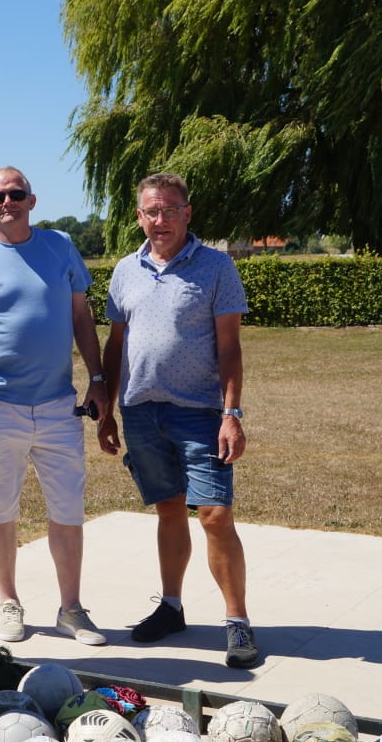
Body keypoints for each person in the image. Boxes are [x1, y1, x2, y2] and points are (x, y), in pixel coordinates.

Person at [95, 172, 259, 669]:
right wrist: (106, 403)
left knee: (215, 514)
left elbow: (230, 349)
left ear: (187, 213)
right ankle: (171, 607)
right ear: (139, 217)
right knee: (168, 509)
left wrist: (231, 414)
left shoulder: (216, 268)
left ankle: (238, 622)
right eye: (150, 212)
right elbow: (117, 344)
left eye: (169, 210)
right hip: (141, 411)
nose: (159, 220)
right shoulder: (126, 270)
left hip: (200, 413)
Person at [0, 165, 108, 647]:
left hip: (59, 405)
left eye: (15, 194)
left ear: (32, 200)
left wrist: (97, 378)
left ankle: (72, 609)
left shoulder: (60, 247)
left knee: (68, 509)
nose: (7, 203)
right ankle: (8, 601)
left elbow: (82, 316)